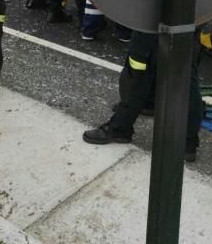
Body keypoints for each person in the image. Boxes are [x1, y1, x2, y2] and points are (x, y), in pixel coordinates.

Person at [83, 30, 202, 162]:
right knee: (183, 70)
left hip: (153, 20)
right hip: (189, 20)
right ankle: (186, 139)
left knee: (139, 65)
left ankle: (120, 127)